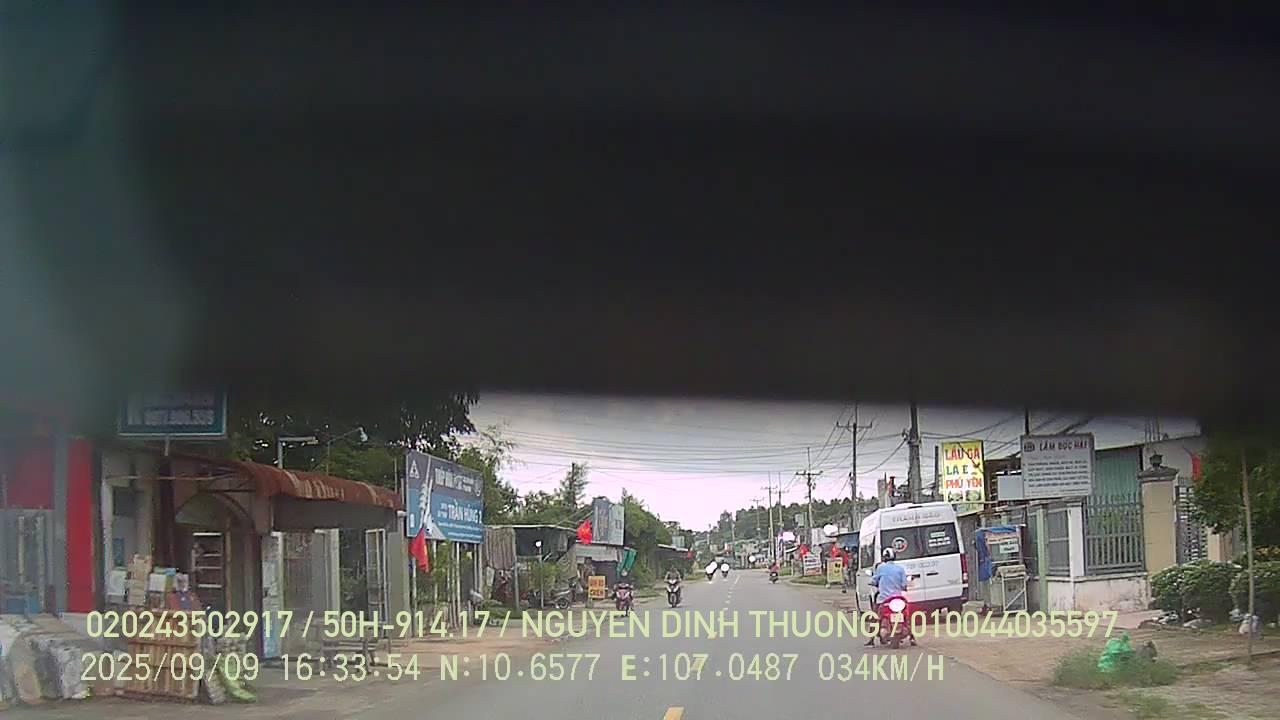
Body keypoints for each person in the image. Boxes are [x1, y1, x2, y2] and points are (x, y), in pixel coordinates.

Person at [865, 548, 914, 647]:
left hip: (884, 599)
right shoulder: (900, 569)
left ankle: (871, 639)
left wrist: (874, 583)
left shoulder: (881, 568)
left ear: (884, 558)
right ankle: (912, 638)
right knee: (907, 617)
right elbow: (904, 584)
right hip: (898, 599)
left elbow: (874, 581)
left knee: (875, 617)